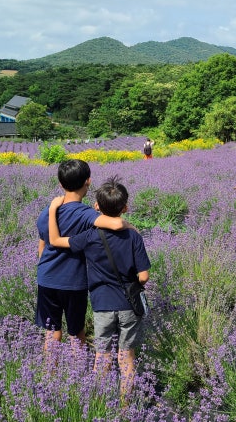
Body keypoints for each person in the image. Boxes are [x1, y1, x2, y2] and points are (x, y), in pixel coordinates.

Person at [48, 175, 150, 397]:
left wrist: (53, 210)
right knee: (127, 357)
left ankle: (98, 403)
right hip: (128, 307)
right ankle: (124, 408)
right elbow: (143, 276)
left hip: (102, 304)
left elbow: (55, 241)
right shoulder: (134, 237)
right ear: (125, 208)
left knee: (102, 355)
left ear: (96, 206)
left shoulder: (89, 236)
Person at [36, 159, 129, 345]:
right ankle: (78, 372)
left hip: (46, 278)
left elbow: (42, 246)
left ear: (61, 184)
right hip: (73, 282)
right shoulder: (86, 214)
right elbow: (117, 223)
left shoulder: (48, 211)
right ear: (88, 181)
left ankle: (51, 373)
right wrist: (131, 228)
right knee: (76, 332)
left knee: (52, 332)